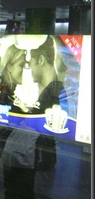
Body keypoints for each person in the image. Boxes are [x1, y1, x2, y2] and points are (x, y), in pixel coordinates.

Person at [0, 43, 39, 199]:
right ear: (10, 67)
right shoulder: (8, 90)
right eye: (21, 64)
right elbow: (2, 116)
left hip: (27, 149)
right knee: (10, 190)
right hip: (12, 149)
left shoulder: (30, 89)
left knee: (25, 192)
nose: (25, 69)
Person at [29, 35, 68, 170]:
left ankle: (47, 162)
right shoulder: (57, 87)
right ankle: (48, 161)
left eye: (30, 63)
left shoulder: (50, 91)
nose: (30, 70)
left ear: (40, 60)